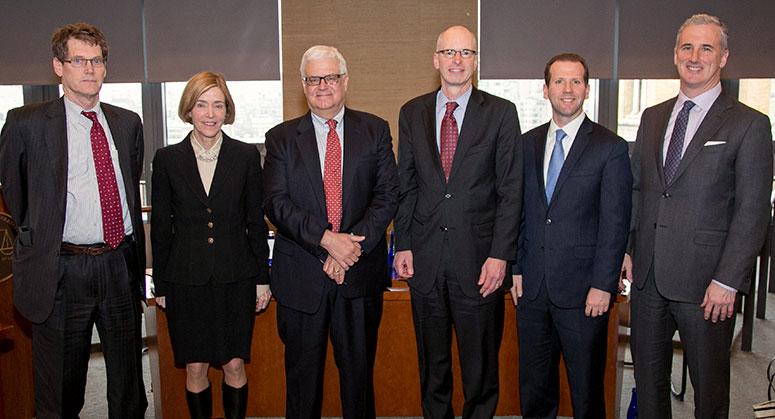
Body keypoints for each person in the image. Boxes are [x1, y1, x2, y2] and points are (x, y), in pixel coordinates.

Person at [622, 14, 773, 418]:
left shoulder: (750, 124)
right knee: (649, 385)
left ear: (723, 57)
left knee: (710, 394)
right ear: (675, 55)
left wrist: (727, 280)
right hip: (649, 279)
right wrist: (629, 248)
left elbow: (752, 211)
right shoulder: (653, 117)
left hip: (708, 286)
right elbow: (639, 189)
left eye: (706, 48)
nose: (695, 56)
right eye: (687, 47)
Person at [0, 23, 147, 418]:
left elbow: (128, 185)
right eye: (78, 60)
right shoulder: (25, 122)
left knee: (128, 386)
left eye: (96, 60)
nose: (89, 69)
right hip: (61, 270)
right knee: (61, 393)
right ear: (58, 66)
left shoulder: (127, 122)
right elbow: (15, 194)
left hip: (119, 264)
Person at [262, 45, 399, 419]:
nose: (323, 85)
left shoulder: (374, 130)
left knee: (359, 385)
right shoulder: (280, 138)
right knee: (303, 388)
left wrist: (350, 250)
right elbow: (276, 202)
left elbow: (388, 195)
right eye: (313, 79)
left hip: (359, 278)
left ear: (345, 81)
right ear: (303, 85)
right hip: (302, 280)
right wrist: (327, 242)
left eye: (330, 77)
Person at [393, 25, 522, 418]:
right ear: (436, 60)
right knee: (433, 371)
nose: (457, 60)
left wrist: (501, 255)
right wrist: (403, 243)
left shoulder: (500, 113)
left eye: (466, 53)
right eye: (449, 52)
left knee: (480, 372)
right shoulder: (412, 112)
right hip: (426, 263)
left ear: (476, 61)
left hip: (481, 264)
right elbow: (406, 185)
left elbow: (510, 191)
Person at [511, 53, 632, 419]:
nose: (568, 89)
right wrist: (516, 266)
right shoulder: (526, 143)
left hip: (584, 293)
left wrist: (603, 284)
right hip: (531, 289)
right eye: (560, 82)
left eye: (576, 81)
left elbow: (616, 223)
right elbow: (517, 211)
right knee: (534, 388)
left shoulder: (610, 147)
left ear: (588, 89)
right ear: (545, 89)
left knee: (585, 391)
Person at [151, 71, 270, 419]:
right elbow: (161, 227)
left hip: (236, 277)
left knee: (234, 364)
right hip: (186, 281)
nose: (210, 112)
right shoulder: (167, 159)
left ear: (227, 110)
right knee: (195, 368)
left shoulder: (247, 156)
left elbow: (255, 223)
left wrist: (262, 278)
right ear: (189, 109)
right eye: (202, 104)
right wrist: (162, 282)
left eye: (218, 104)